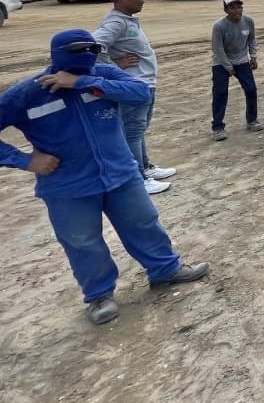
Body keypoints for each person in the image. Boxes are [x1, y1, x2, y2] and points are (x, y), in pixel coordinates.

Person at [0, 30, 209, 325]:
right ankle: (99, 295)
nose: (86, 56)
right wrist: (24, 160)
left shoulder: (102, 75)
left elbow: (141, 94)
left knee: (143, 223)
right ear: (56, 55)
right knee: (83, 242)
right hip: (68, 185)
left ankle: (165, 270)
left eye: (91, 50)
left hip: (120, 174)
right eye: (78, 51)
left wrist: (82, 82)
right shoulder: (28, 93)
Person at [92, 0, 176, 195]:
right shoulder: (116, 22)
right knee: (132, 132)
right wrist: (113, 67)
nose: (143, 0)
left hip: (144, 83)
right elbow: (93, 46)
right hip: (133, 85)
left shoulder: (127, 20)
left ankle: (145, 167)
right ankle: (137, 177)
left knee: (138, 130)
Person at [210, 0, 262, 141]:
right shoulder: (219, 26)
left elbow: (252, 39)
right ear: (226, 10)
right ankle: (218, 127)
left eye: (239, 7)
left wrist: (253, 56)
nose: (237, 10)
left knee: (251, 89)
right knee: (220, 93)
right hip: (221, 62)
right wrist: (228, 66)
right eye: (232, 7)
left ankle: (252, 120)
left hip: (241, 60)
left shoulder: (248, 21)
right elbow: (217, 49)